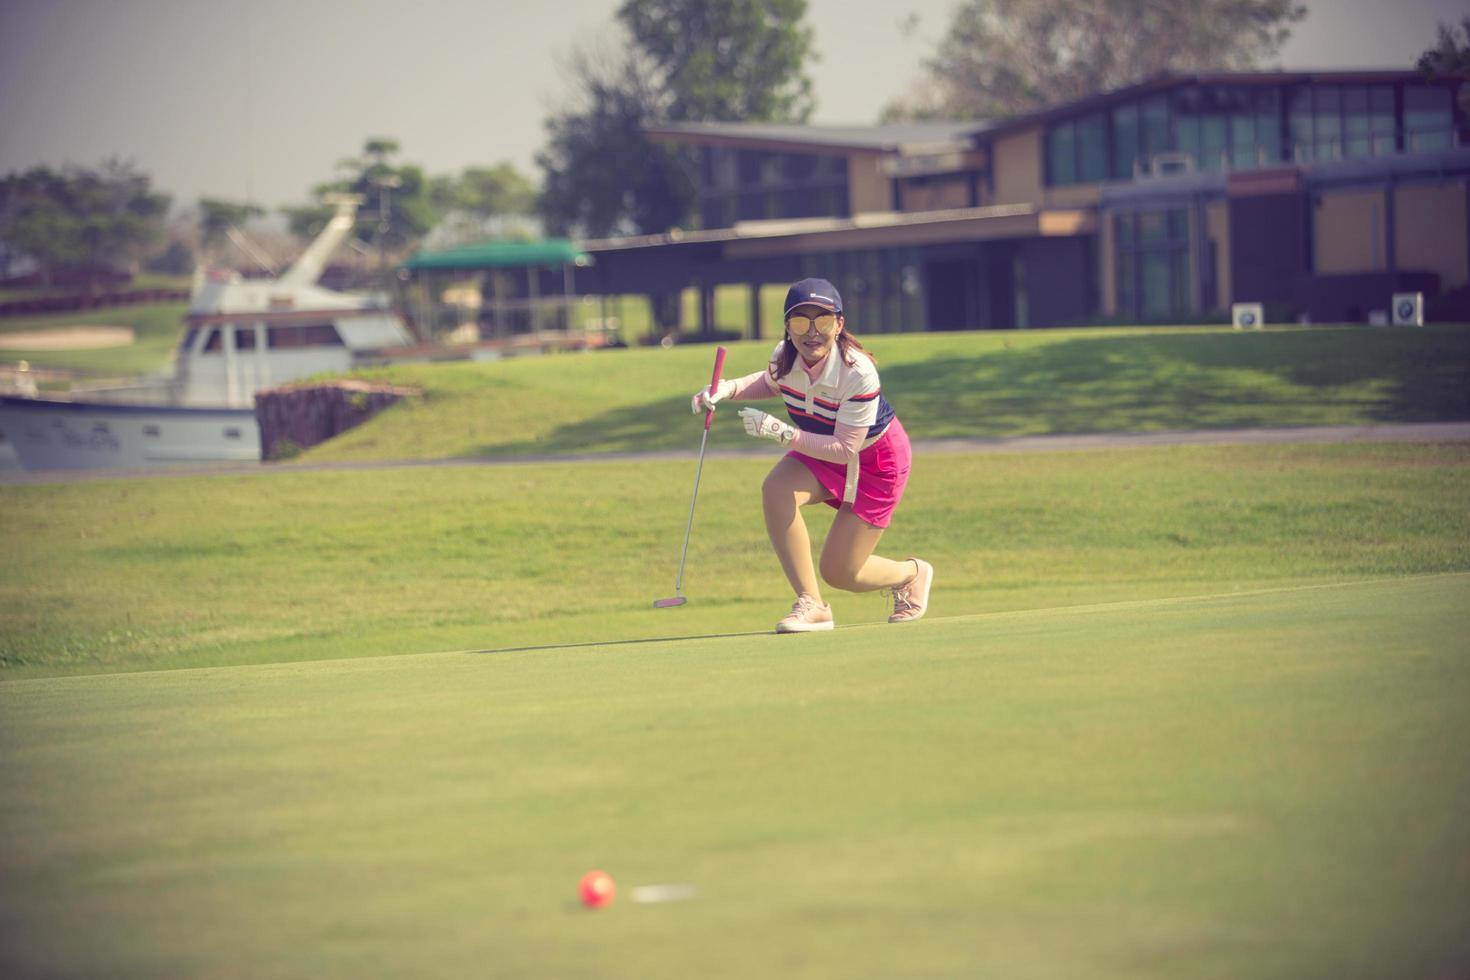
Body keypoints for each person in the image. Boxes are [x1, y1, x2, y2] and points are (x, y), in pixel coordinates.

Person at [691, 277, 933, 633]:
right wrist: (726, 389)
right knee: (776, 489)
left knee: (840, 572)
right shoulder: (784, 357)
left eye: (822, 320)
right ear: (788, 327)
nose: (811, 332)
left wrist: (779, 431)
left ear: (839, 324)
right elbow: (771, 382)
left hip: (876, 462)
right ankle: (812, 604)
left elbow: (844, 449)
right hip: (820, 446)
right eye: (800, 321)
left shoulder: (858, 373)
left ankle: (911, 574)